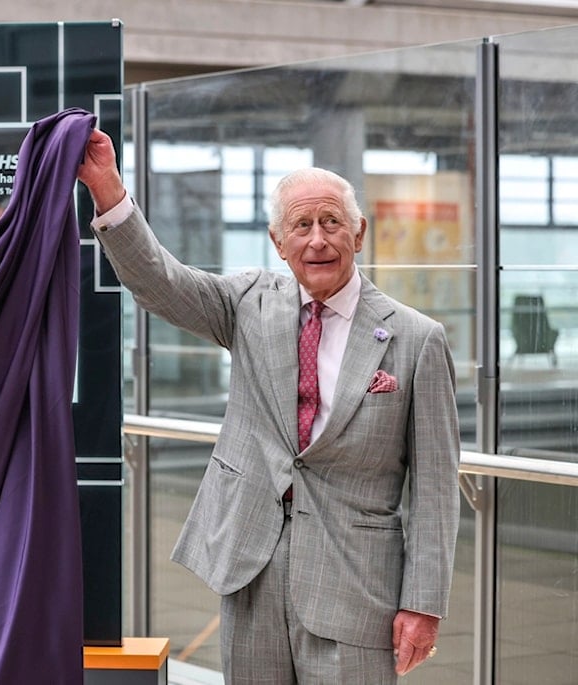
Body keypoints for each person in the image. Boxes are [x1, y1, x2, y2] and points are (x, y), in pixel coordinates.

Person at [77, 129, 460, 684]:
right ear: (278, 243)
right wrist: (107, 188)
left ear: (359, 232)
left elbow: (435, 486)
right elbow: (159, 281)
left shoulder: (416, 338)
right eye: (301, 226)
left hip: (355, 583)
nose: (317, 240)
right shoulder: (249, 303)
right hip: (251, 565)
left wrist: (424, 604)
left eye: (331, 222)